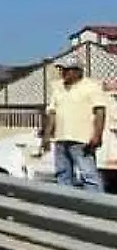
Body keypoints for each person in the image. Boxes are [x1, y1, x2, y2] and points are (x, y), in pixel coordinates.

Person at [42, 56, 106, 192]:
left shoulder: (90, 87)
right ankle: (66, 207)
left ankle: (96, 207)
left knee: (88, 175)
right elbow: (52, 113)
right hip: (61, 139)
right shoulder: (58, 89)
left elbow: (100, 112)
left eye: (66, 70)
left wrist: (97, 136)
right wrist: (47, 137)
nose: (63, 73)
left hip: (81, 140)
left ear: (77, 71)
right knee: (62, 174)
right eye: (62, 70)